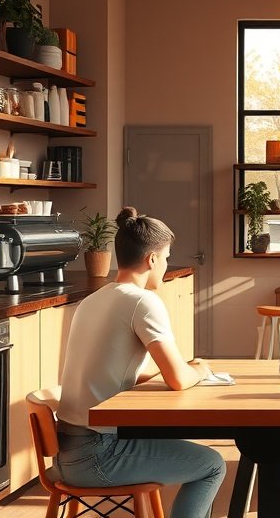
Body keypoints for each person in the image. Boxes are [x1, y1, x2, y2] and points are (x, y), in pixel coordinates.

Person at [55, 207, 225, 518]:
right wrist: (198, 370)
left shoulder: (93, 299)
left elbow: (107, 369)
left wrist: (166, 374)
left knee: (177, 446)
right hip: (98, 455)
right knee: (212, 465)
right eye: (167, 256)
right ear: (152, 259)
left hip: (69, 452)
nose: (167, 264)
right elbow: (177, 380)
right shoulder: (142, 302)